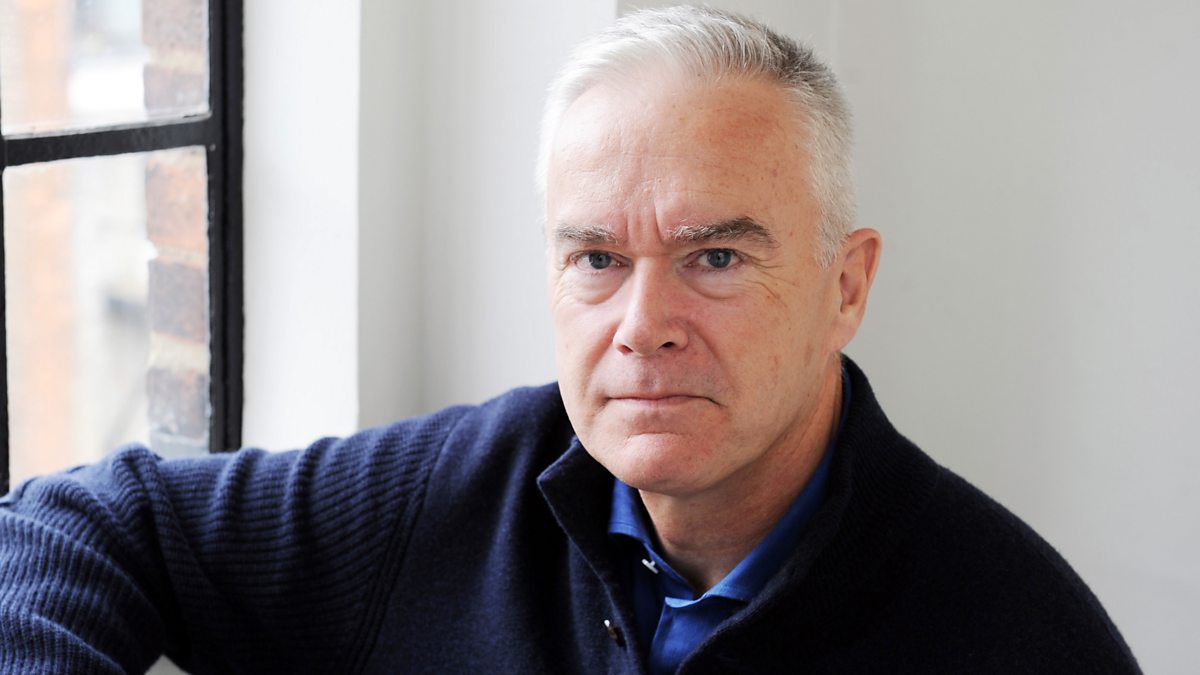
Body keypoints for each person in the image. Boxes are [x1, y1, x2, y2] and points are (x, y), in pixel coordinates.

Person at [0, 6, 1139, 674]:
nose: (643, 328)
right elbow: (75, 523)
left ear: (846, 286)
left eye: (716, 257)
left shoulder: (1020, 634)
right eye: (596, 259)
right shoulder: (458, 491)